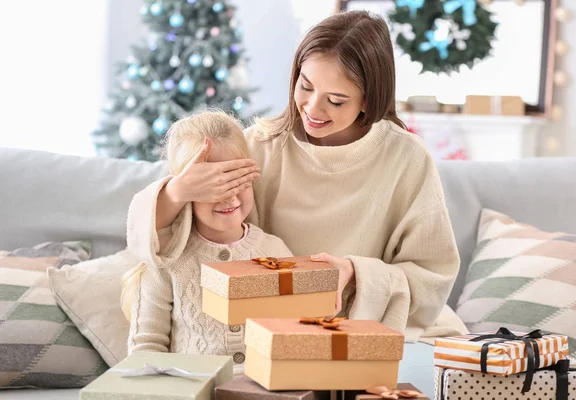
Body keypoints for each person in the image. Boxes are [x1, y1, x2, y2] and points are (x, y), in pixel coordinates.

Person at [128, 10, 467, 371]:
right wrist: (176, 192)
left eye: (336, 100)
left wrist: (354, 273)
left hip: (364, 337)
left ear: (369, 99)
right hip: (274, 347)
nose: (312, 108)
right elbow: (163, 245)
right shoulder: (261, 146)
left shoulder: (406, 159)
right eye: (305, 86)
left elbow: (433, 278)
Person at [122, 110, 292, 371]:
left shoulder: (275, 251)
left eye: (238, 180)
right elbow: (146, 348)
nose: (230, 197)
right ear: (187, 188)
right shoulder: (167, 260)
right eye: (215, 185)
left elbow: (295, 333)